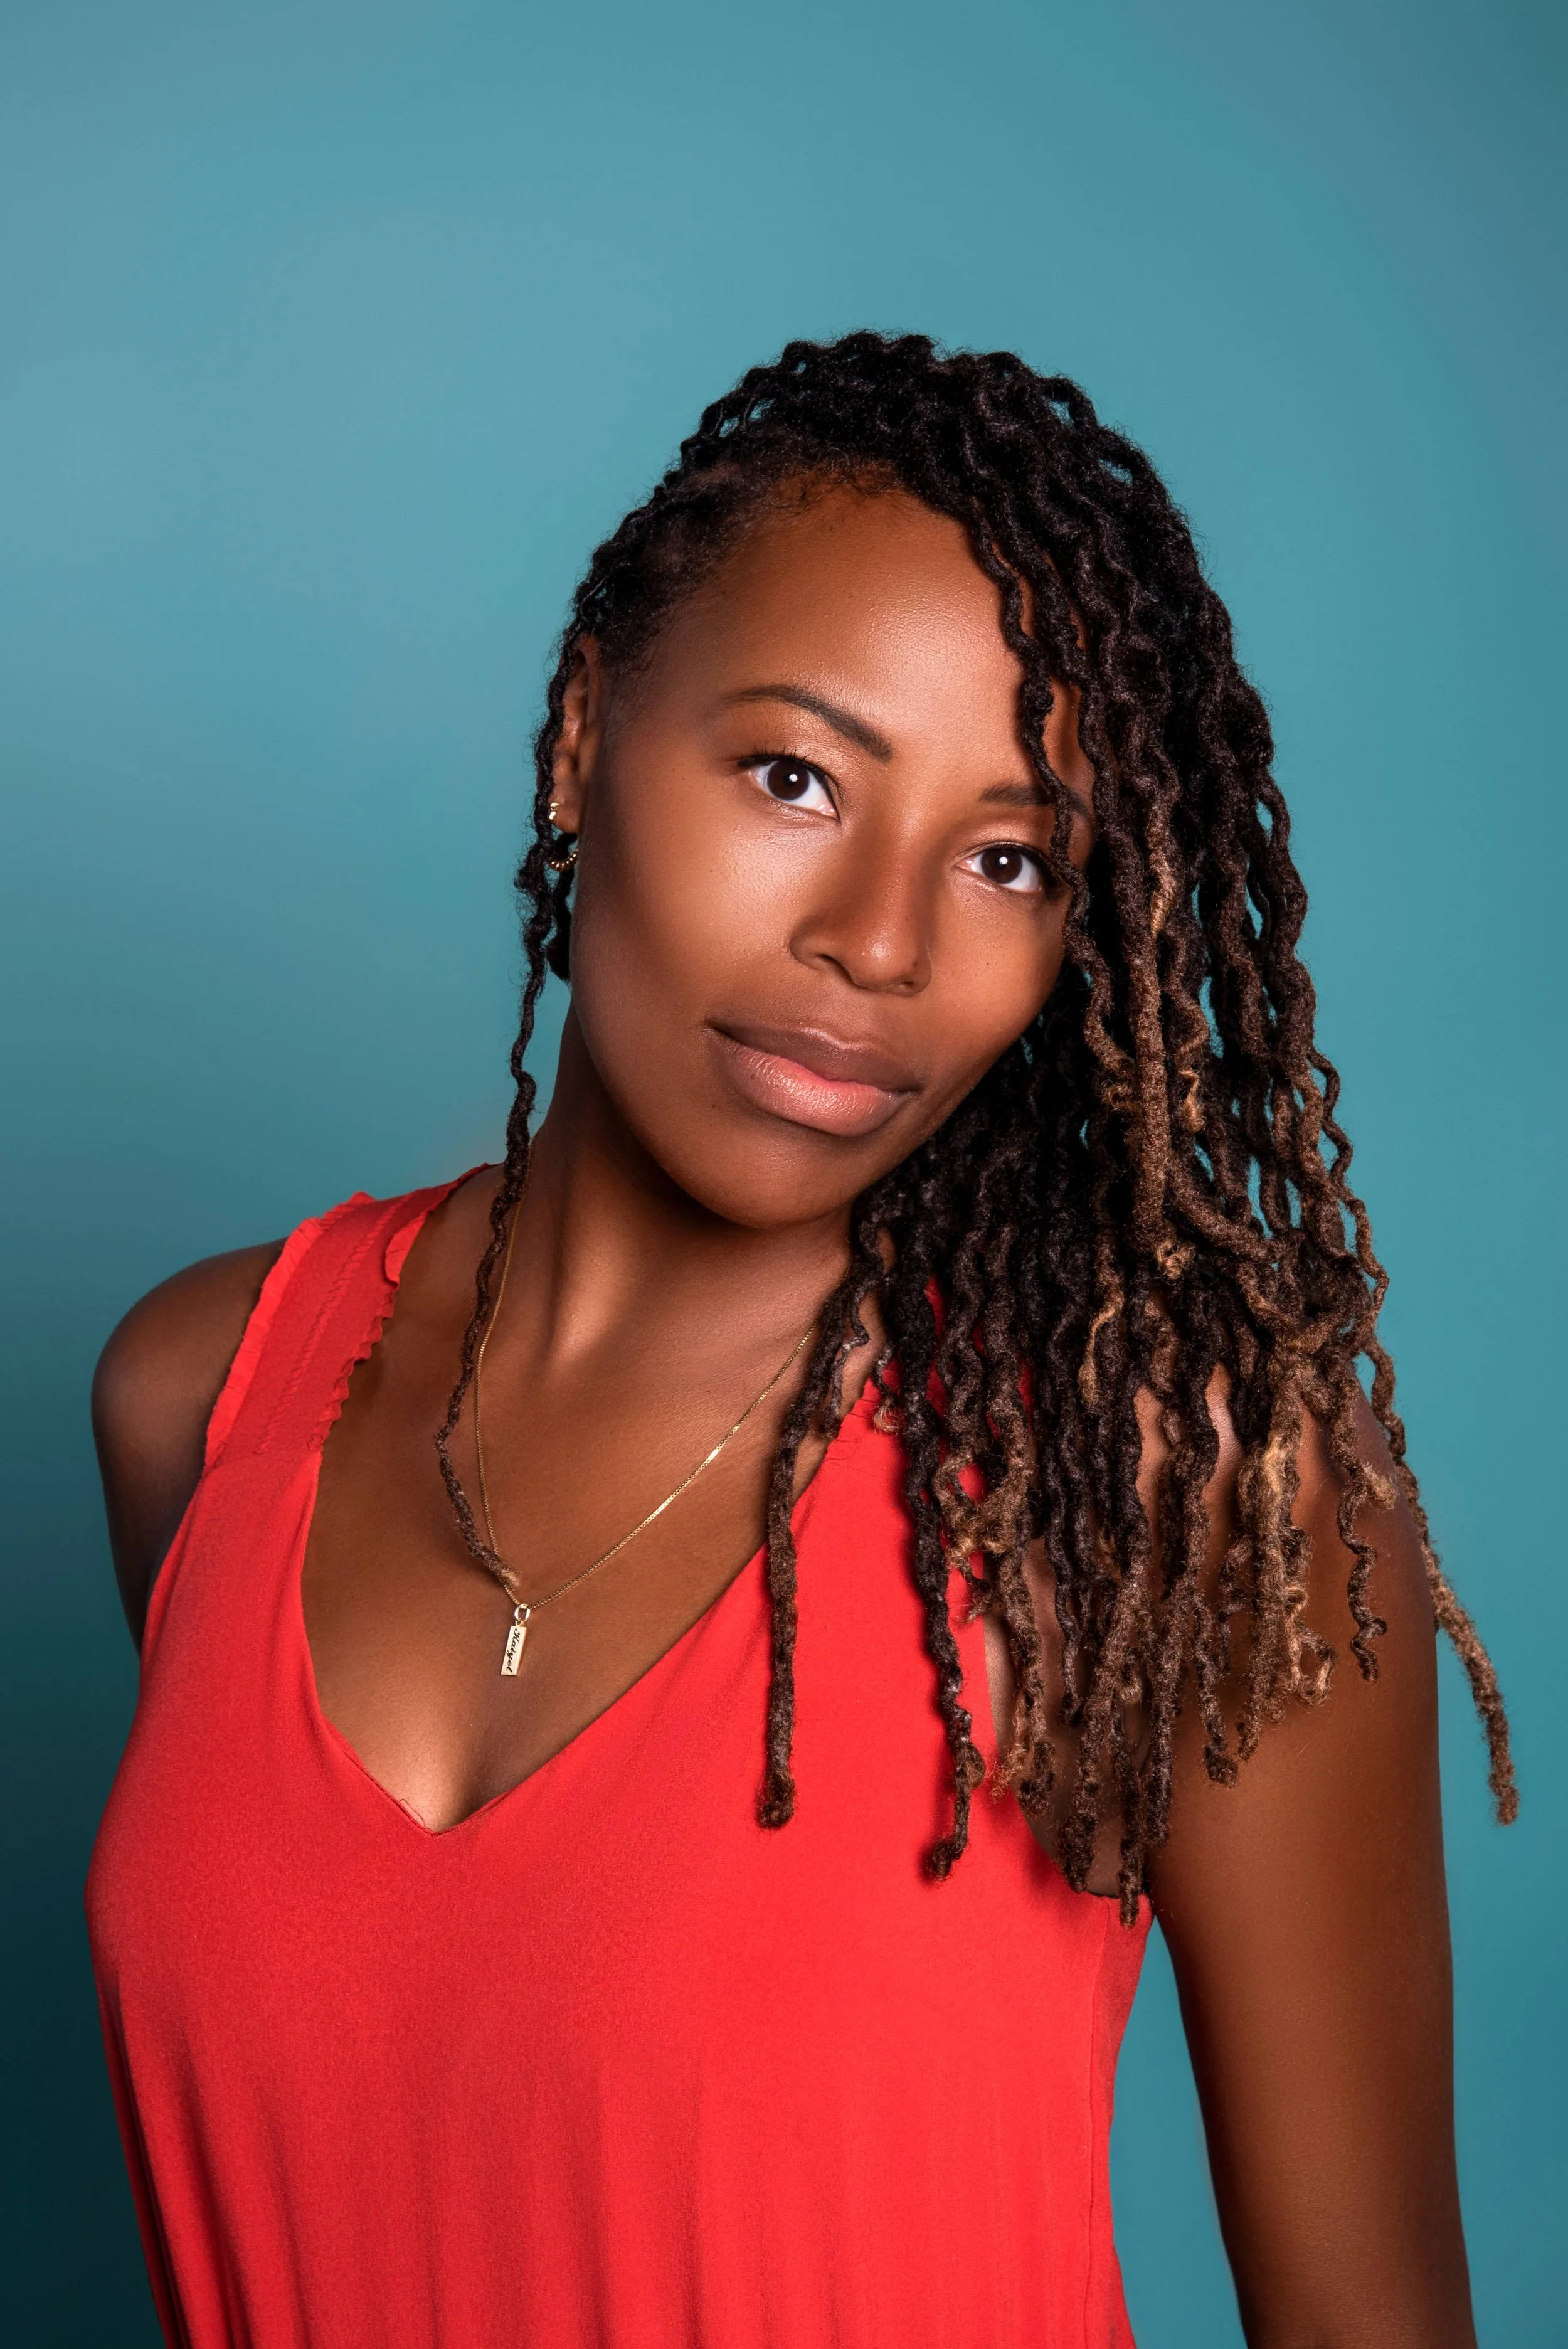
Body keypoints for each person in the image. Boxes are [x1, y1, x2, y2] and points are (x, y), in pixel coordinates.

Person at [87, 332, 1515, 2349]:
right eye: (795, 778)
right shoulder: (201, 1392)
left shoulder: (1167, 1486)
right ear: (580, 733)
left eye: (1007, 858)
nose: (882, 940)